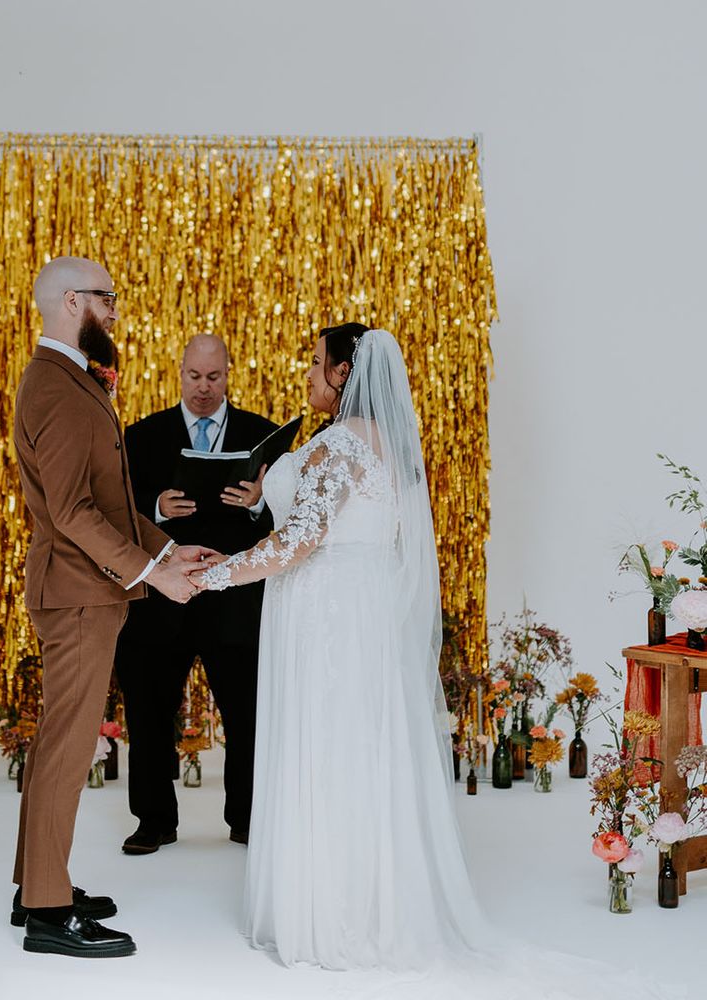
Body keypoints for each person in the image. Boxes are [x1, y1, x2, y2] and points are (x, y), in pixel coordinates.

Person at [192, 325, 679, 998]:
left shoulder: (337, 443)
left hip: (325, 615)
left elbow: (299, 543)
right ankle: (370, 900)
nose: (306, 375)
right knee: (359, 752)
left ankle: (328, 914)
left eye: (314, 364)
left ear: (340, 375)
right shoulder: (391, 445)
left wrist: (213, 576)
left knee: (325, 747)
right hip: (361, 613)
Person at [10, 256, 215, 959]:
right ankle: (46, 911)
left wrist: (167, 549)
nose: (117, 312)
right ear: (72, 301)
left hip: (83, 587)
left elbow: (108, 503)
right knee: (68, 750)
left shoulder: (69, 379)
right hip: (76, 593)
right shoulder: (58, 386)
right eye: (108, 299)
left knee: (57, 744)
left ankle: (34, 886)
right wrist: (154, 574)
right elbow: (71, 511)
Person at [114, 334, 277, 854]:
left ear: (229, 374)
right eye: (194, 377)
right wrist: (157, 507)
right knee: (149, 707)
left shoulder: (263, 437)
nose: (203, 388)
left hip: (236, 599)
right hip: (162, 598)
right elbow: (115, 510)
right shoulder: (141, 437)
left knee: (247, 710)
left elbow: (294, 522)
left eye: (214, 377)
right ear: (179, 373)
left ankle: (247, 818)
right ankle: (153, 820)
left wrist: (256, 504)